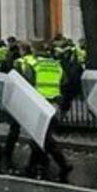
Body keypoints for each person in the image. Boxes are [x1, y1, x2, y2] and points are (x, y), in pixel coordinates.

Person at [12, 41, 72, 181]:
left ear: (33, 49)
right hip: (54, 104)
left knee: (41, 138)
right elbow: (64, 81)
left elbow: (27, 84)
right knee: (41, 136)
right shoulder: (56, 64)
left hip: (38, 104)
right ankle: (34, 165)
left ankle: (62, 164)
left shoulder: (33, 65)